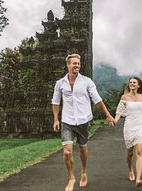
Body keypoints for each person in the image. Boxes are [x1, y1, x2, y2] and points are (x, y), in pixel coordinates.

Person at [51, 53, 115, 191]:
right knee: (67, 152)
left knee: (82, 147)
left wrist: (108, 115)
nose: (77, 66)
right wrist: (56, 119)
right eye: (74, 63)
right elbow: (55, 102)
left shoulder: (87, 81)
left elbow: (97, 99)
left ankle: (84, 171)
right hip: (67, 121)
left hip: (83, 120)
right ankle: (71, 178)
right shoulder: (60, 84)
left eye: (78, 64)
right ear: (68, 65)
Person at [114, 77, 142, 187]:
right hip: (129, 126)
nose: (132, 84)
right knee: (129, 153)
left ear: (138, 85)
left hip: (140, 126)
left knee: (139, 150)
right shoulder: (124, 97)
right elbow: (119, 111)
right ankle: (130, 170)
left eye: (134, 82)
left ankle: (138, 179)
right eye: (130, 82)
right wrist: (115, 120)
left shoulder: (141, 97)